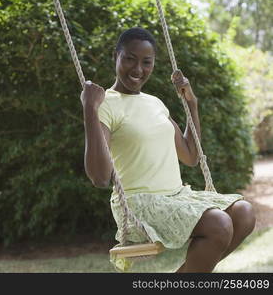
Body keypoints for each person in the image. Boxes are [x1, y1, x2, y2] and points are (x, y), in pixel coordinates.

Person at [80, 27, 256, 273]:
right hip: (139, 204)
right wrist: (89, 107)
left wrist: (192, 104)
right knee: (219, 224)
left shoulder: (155, 103)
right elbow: (99, 177)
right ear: (116, 56)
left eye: (146, 62)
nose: (138, 69)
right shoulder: (105, 104)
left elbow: (190, 156)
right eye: (130, 58)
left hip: (176, 196)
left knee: (244, 213)